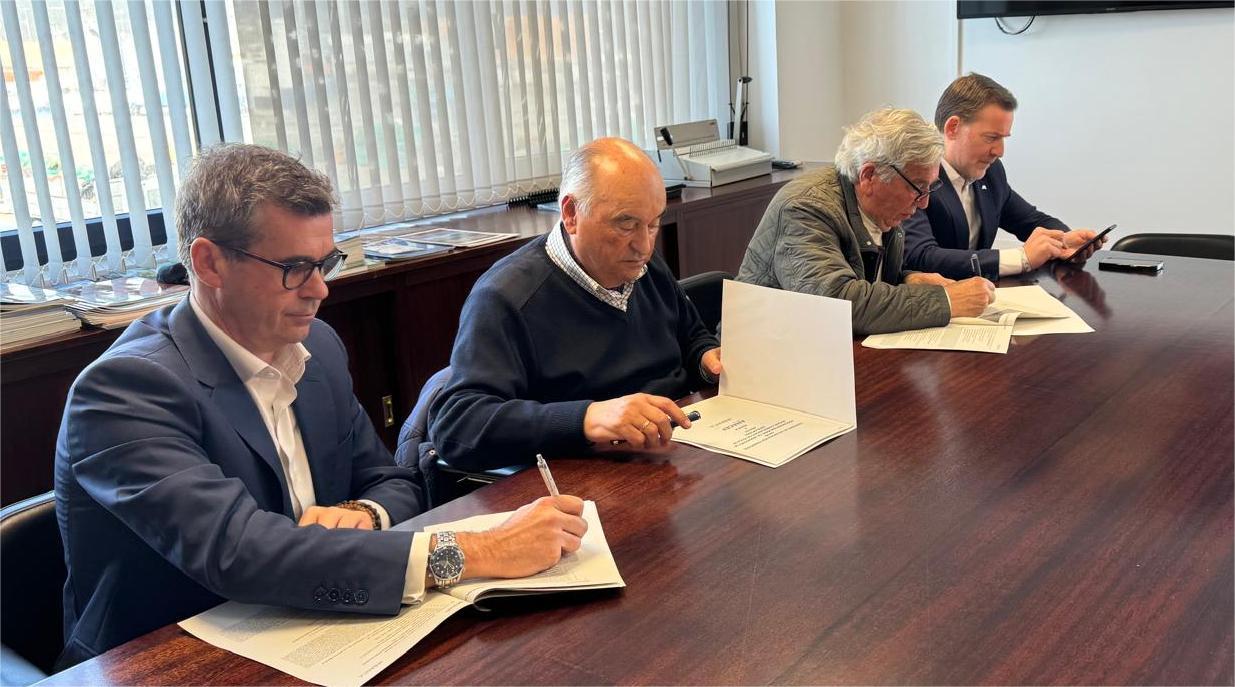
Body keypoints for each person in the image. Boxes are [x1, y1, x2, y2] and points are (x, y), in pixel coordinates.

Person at [54, 144, 587, 668]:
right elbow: (238, 553)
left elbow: (393, 481)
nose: (319, 290)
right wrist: (479, 550)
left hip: (312, 628)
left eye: (324, 263)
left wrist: (365, 513)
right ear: (209, 262)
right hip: (171, 660)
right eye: (294, 268)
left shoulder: (318, 350)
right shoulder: (125, 390)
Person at [429, 137, 722, 472]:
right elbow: (458, 425)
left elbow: (690, 336)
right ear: (571, 214)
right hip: (585, 473)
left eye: (653, 223)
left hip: (676, 449)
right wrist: (588, 417)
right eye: (626, 224)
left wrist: (706, 359)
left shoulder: (643, 265)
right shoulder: (507, 297)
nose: (644, 245)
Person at [736, 107, 994, 336]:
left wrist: (907, 279)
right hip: (763, 355)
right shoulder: (805, 208)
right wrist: (945, 300)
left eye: (929, 188)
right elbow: (835, 304)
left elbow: (863, 278)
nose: (924, 203)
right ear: (869, 176)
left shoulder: (882, 208)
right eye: (917, 187)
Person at [903, 73, 1105, 279]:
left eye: (1003, 138)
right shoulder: (915, 176)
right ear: (953, 128)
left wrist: (1064, 240)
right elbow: (922, 257)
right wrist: (1022, 258)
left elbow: (1029, 220)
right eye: (991, 137)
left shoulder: (991, 172)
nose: (1000, 151)